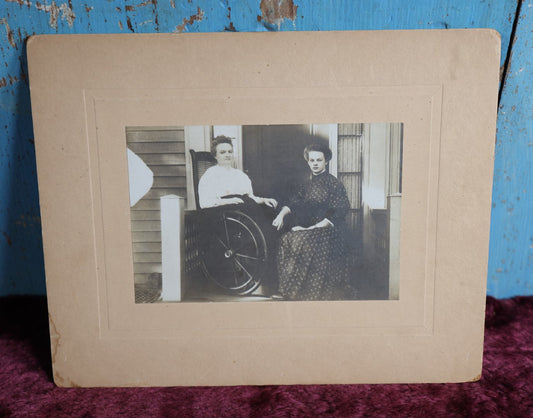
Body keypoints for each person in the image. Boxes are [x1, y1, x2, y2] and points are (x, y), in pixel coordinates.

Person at [272, 143, 351, 301]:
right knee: (286, 239)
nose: (315, 163)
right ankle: (287, 290)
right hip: (312, 229)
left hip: (330, 230)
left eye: (319, 160)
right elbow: (293, 202)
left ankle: (302, 292)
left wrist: (311, 228)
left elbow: (339, 211)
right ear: (308, 162)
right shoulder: (307, 184)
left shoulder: (334, 184)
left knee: (302, 240)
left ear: (326, 161)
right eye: (312, 160)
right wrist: (280, 215)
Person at [198, 136, 277, 209]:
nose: (227, 155)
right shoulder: (210, 175)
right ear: (215, 156)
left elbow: (250, 198)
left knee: (269, 210)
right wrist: (229, 201)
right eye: (223, 152)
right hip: (225, 212)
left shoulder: (240, 175)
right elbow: (204, 203)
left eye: (230, 152)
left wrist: (264, 200)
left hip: (244, 208)